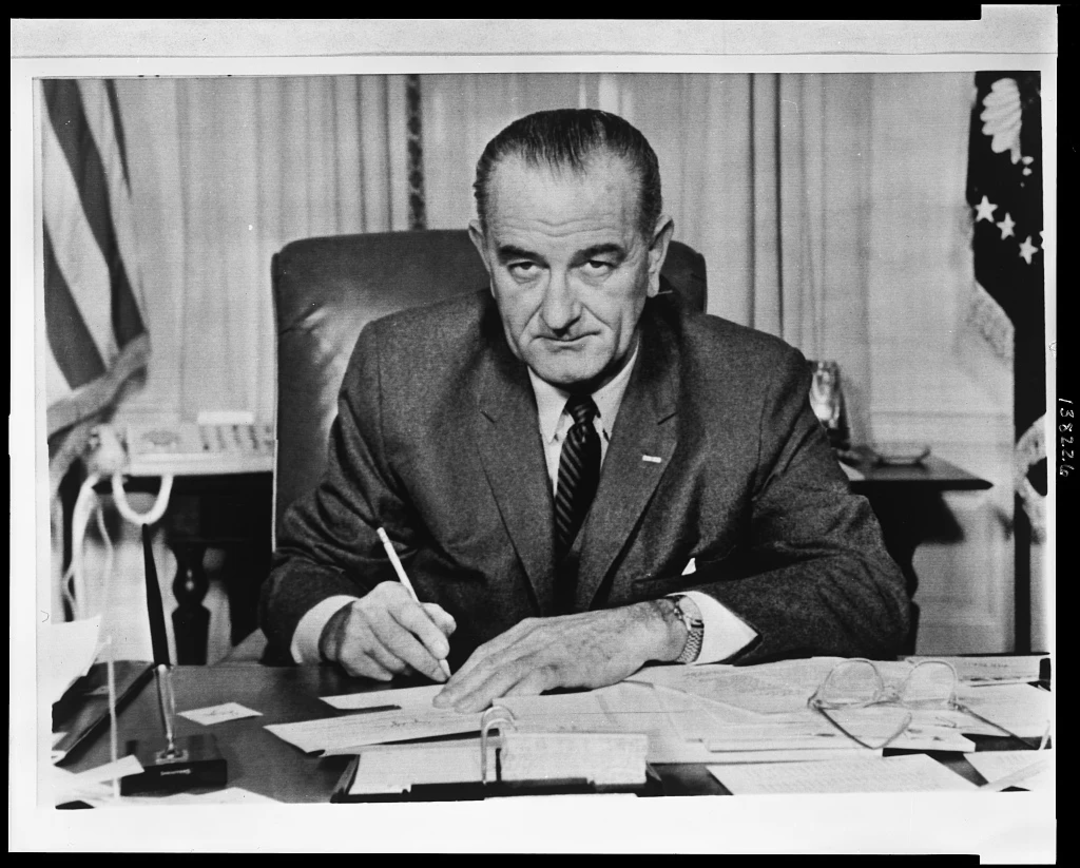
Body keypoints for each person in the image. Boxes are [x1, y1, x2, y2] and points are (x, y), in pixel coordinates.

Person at [260, 108, 910, 714]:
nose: (560, 312)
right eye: (523, 266)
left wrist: (653, 625)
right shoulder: (400, 368)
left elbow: (867, 590)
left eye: (597, 264)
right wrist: (343, 624)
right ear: (484, 253)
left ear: (653, 255)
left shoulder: (751, 384)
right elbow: (304, 570)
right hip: (456, 745)